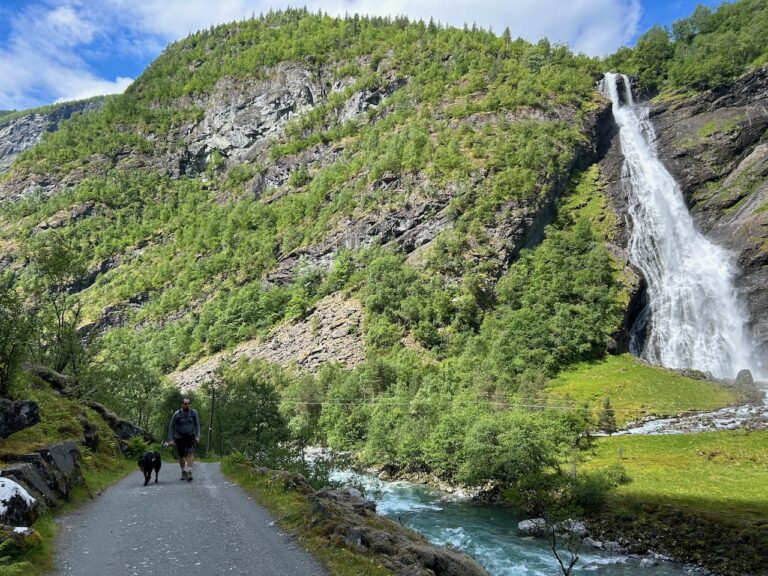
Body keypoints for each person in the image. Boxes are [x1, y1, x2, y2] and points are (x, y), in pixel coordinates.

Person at [165, 398, 200, 481]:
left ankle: (189, 471)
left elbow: (197, 425)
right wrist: (170, 439)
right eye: (185, 403)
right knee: (181, 456)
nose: (187, 405)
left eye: (188, 403)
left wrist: (197, 436)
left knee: (190, 453)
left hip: (190, 436)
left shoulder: (193, 413)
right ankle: (183, 471)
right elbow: (171, 427)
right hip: (179, 437)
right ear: (182, 404)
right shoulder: (176, 414)